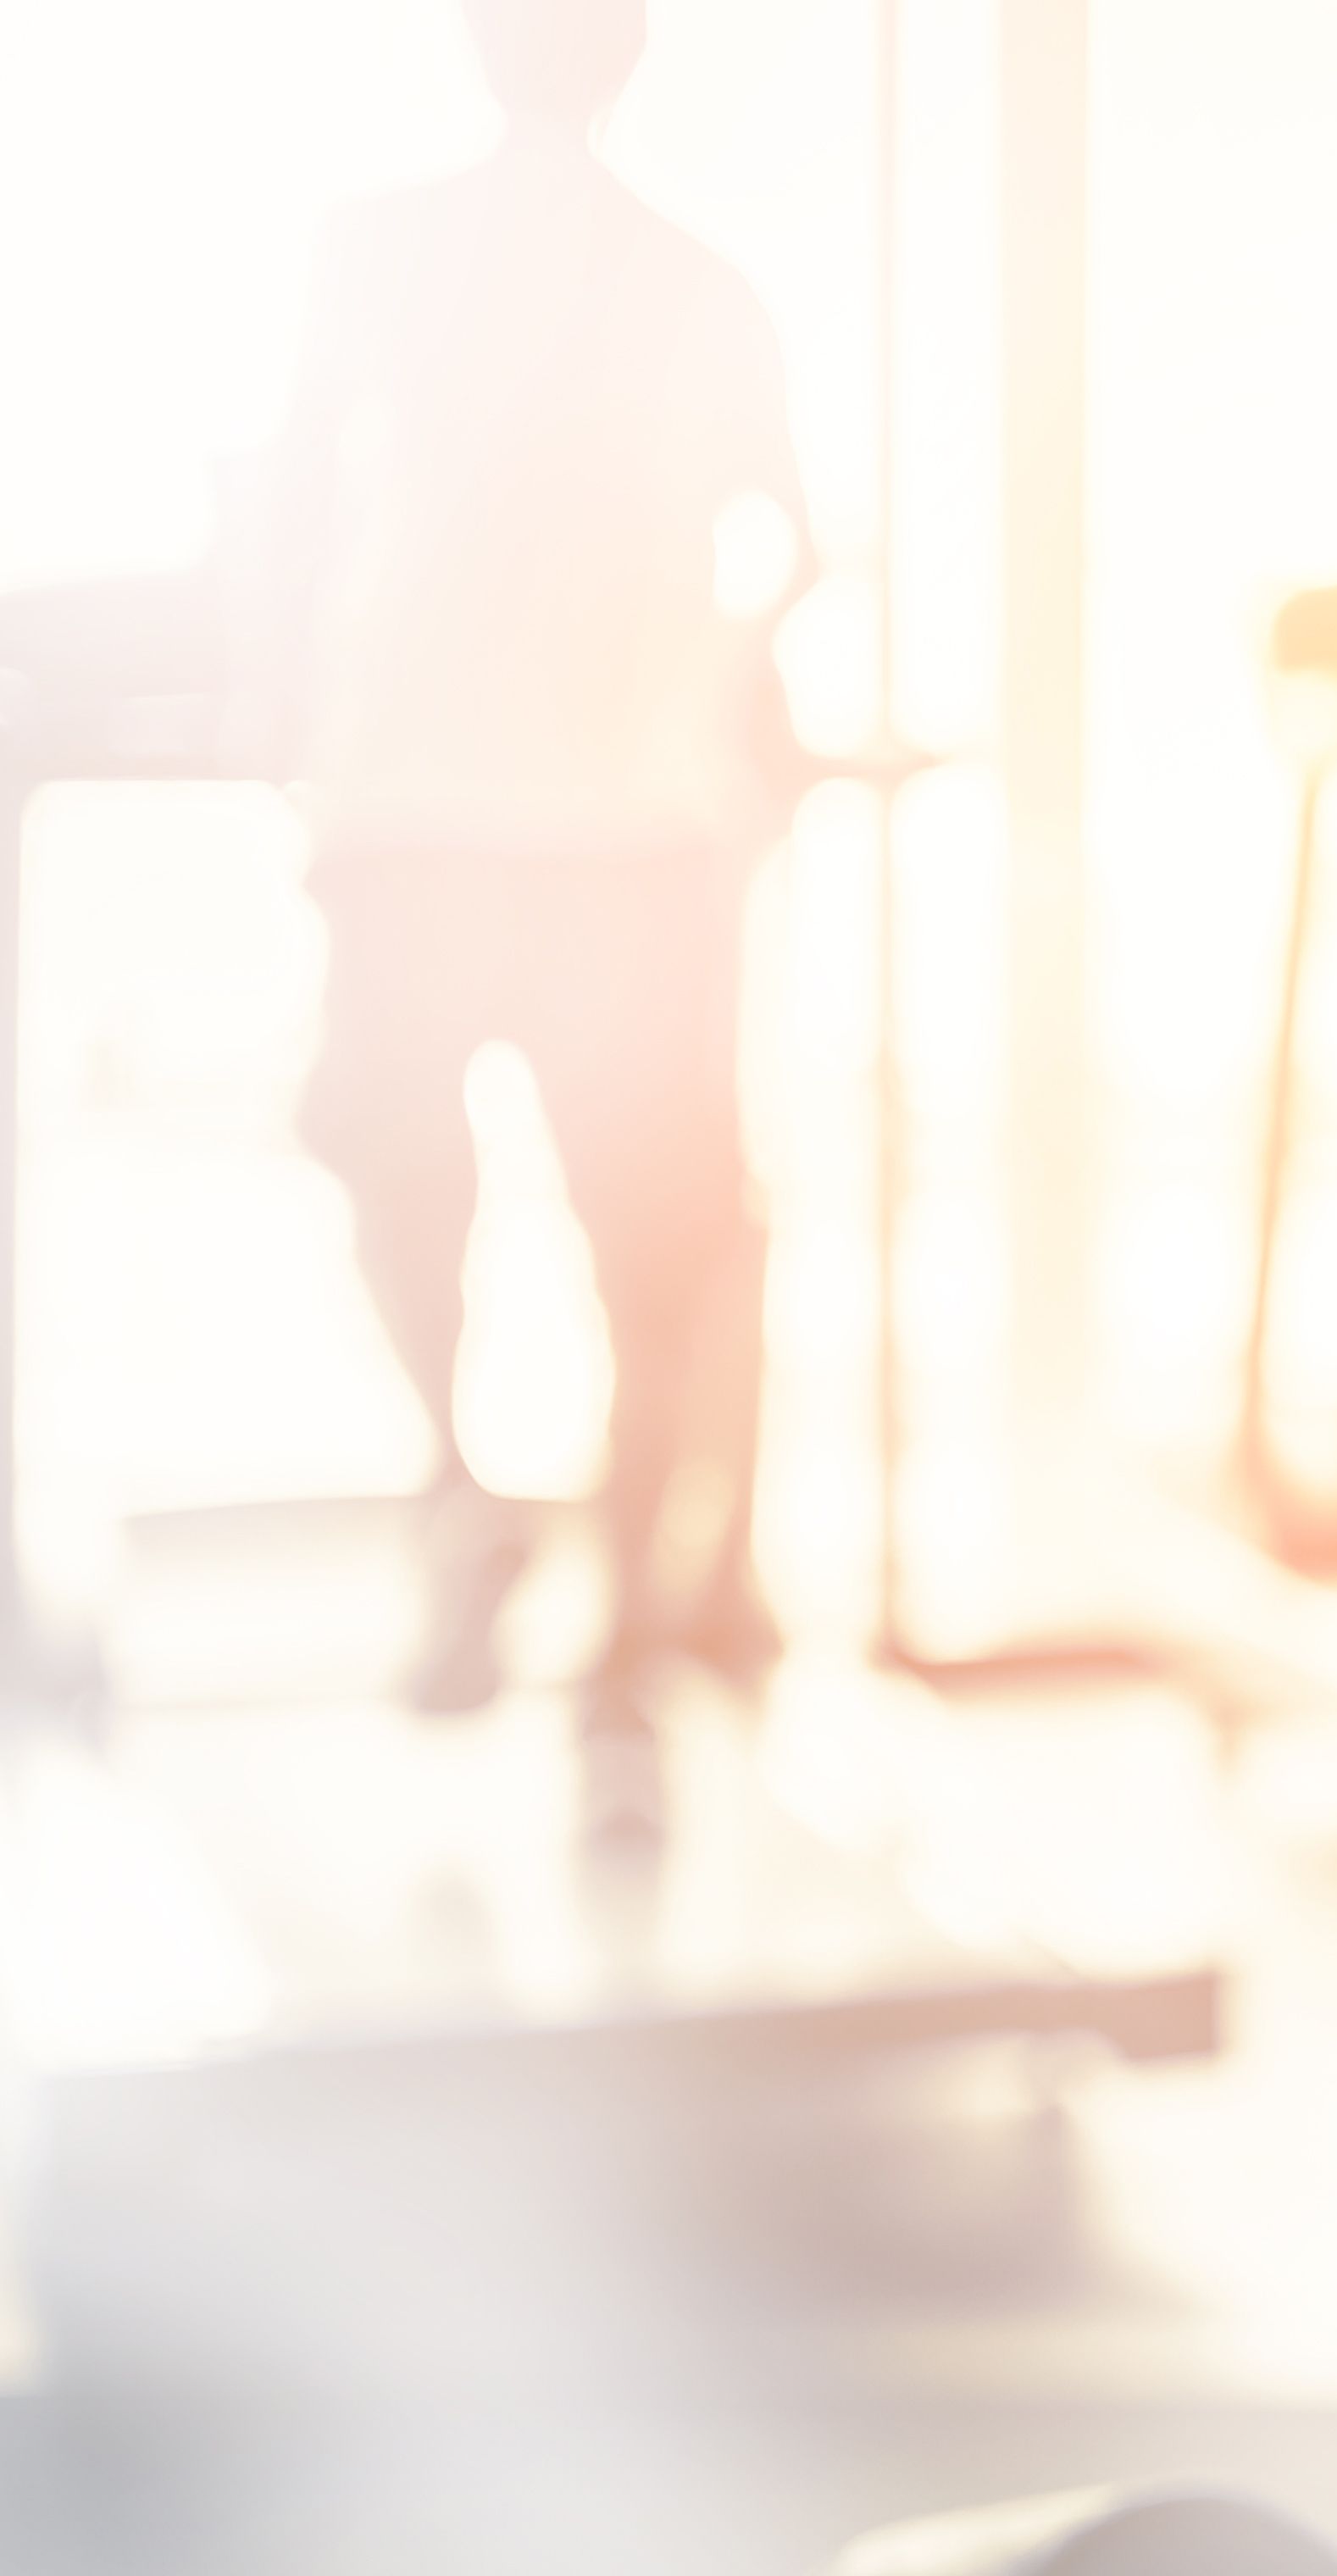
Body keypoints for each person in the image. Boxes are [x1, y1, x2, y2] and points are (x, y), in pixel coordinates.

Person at [232, 0, 809, 1780]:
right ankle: (621, 1617)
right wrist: (717, 684)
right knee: (653, 1241)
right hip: (619, 826)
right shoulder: (701, 283)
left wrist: (293, 727)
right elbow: (790, 547)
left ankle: (473, 1497)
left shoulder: (375, 252)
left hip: (424, 813)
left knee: (412, 1170)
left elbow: (284, 519)